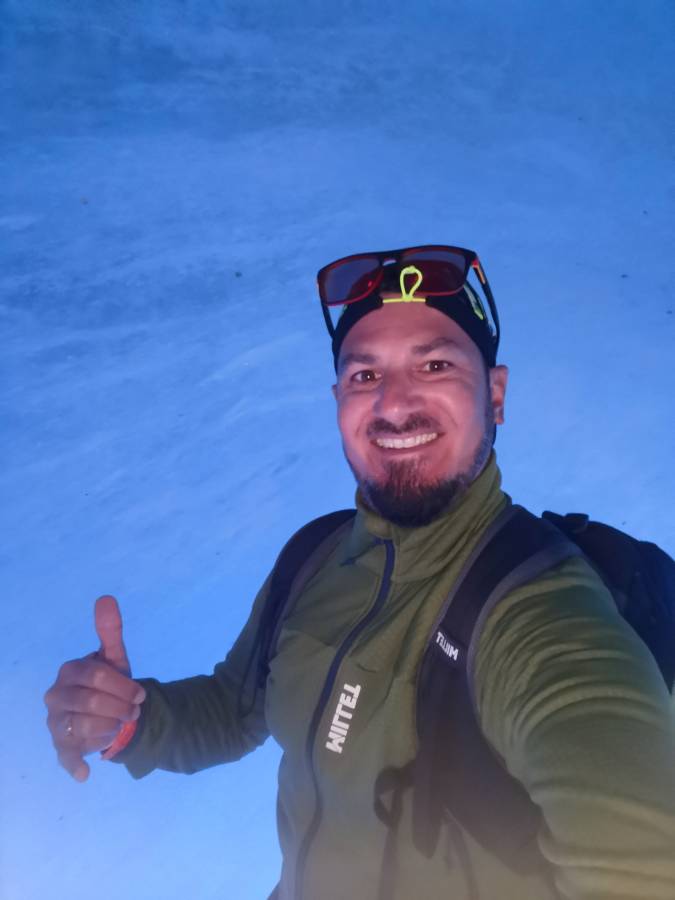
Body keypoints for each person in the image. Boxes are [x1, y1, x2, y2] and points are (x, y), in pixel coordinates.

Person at [45, 245, 675, 900]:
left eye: (434, 365)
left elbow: (637, 864)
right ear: (338, 400)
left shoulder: (540, 614)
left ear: (495, 394)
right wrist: (130, 721)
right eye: (365, 375)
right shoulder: (314, 556)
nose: (394, 405)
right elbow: (234, 710)